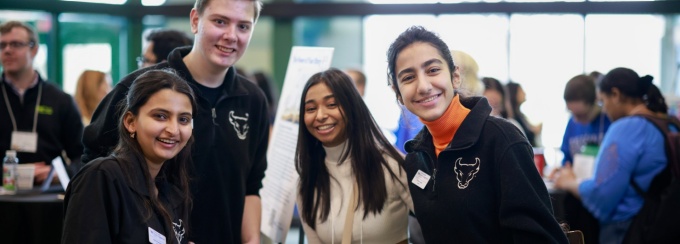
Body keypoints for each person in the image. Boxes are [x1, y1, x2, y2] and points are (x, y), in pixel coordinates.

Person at [81, 1, 269, 243]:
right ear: (195, 20)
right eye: (220, 21)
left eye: (243, 26)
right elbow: (94, 169)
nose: (231, 35)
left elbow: (251, 187)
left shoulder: (253, 101)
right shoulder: (139, 89)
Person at [386, 25, 567, 243]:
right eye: (408, 77)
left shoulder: (501, 138)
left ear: (455, 77)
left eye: (433, 70)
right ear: (398, 93)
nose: (423, 86)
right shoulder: (417, 156)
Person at [62, 69, 195, 244]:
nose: (174, 130)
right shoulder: (101, 178)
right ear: (131, 122)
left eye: (183, 119)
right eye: (160, 116)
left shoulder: (171, 189)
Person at [552, 67, 669, 244]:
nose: (604, 109)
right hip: (661, 222)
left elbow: (602, 193)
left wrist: (568, 182)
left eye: (603, 101)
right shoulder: (667, 123)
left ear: (615, 95)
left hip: (626, 227)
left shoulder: (625, 128)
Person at [296, 68, 413, 243]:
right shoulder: (307, 181)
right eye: (311, 108)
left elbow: (439, 225)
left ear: (352, 107)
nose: (320, 116)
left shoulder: (391, 165)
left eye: (332, 104)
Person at [0, 20, 84, 182]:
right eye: (2, 45)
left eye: (16, 44)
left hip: (49, 198)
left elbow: (83, 156)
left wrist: (61, 173)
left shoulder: (61, 100)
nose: (7, 50)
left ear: (34, 50)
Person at [561, 74, 611, 166]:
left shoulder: (609, 121)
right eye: (572, 113)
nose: (576, 120)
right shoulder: (572, 123)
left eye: (581, 115)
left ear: (595, 102)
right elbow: (566, 158)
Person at [507, 81, 542, 146]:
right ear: (514, 93)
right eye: (521, 91)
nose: (524, 93)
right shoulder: (512, 118)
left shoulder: (521, 115)